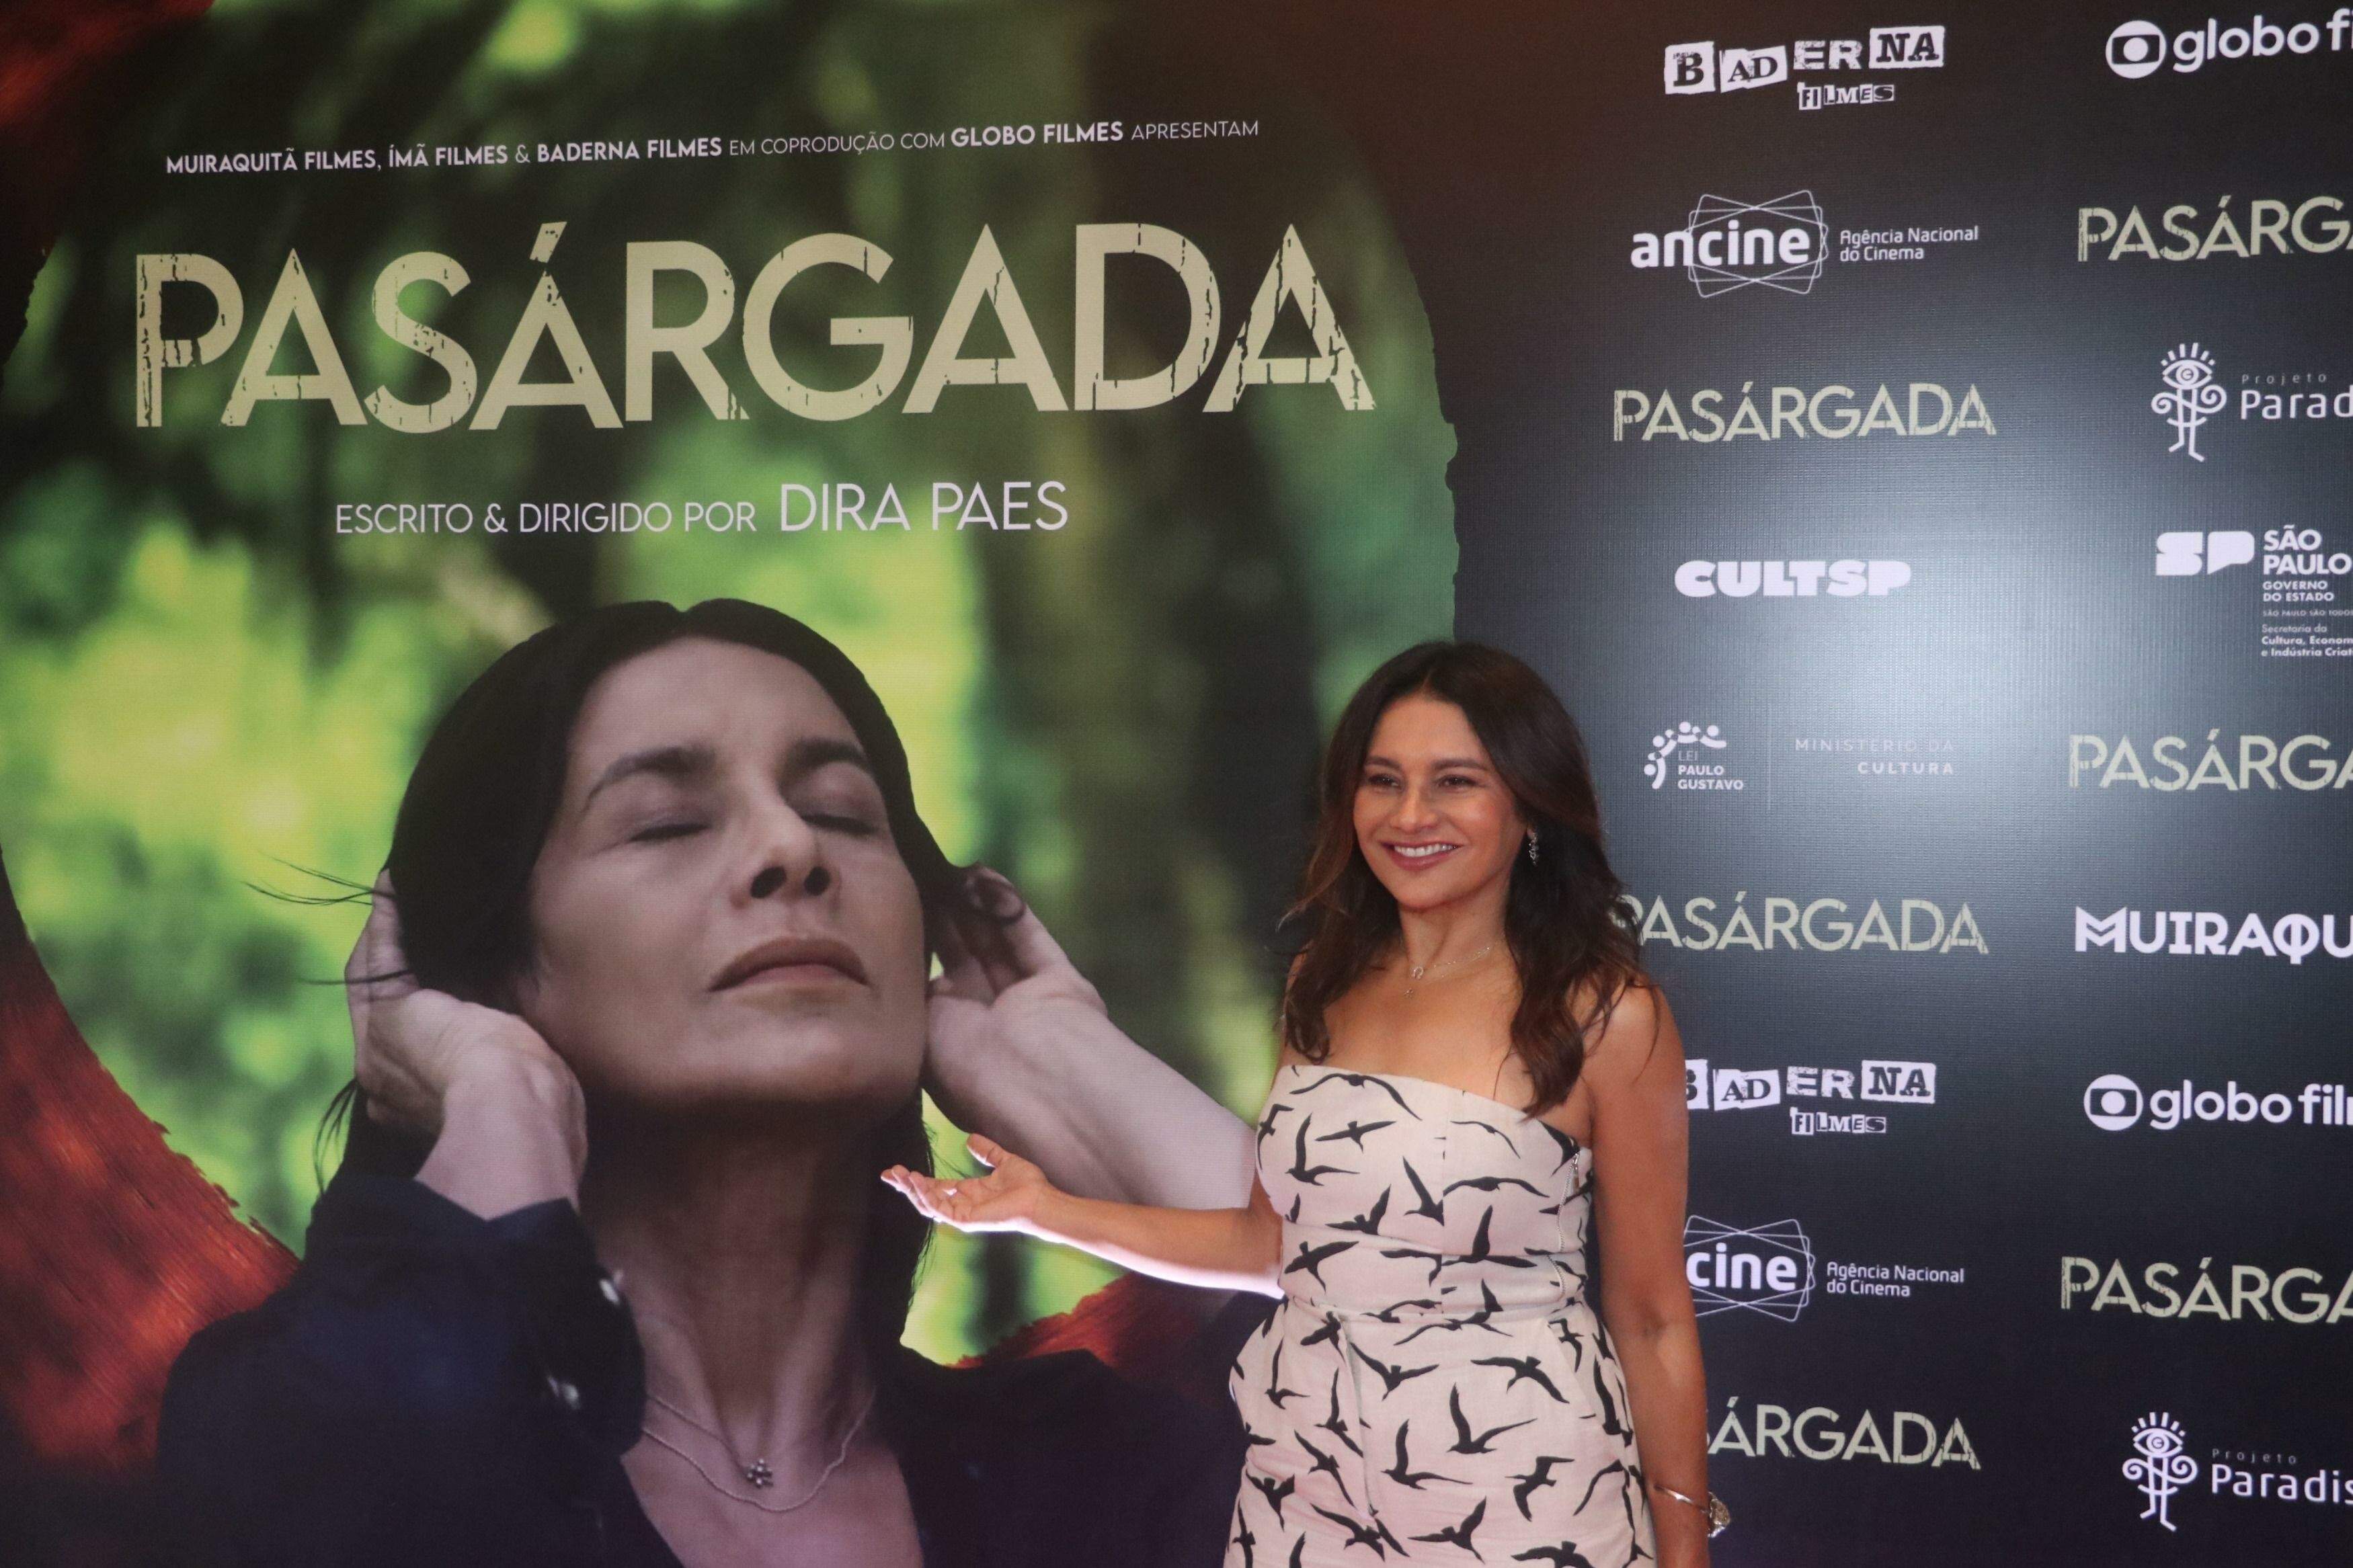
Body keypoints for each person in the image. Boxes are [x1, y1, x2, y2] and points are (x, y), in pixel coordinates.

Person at [156, 598, 1263, 1568]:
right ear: (494, 976)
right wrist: (498, 1097)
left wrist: (1061, 1062)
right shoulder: (290, 1413)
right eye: (669, 823)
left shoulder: (1103, 1476)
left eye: (843, 813)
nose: (791, 845)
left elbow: (1380, 1392)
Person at [889, 641, 1718, 1568]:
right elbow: (1275, 1247)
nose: (1411, 815)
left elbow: (1652, 1316)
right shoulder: (1321, 986)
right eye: (1383, 781)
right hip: (1303, 1492)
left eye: (1454, 782)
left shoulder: (1606, 1014)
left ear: (1529, 804)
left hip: (1523, 1505)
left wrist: (1684, 1549)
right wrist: (1047, 1210)